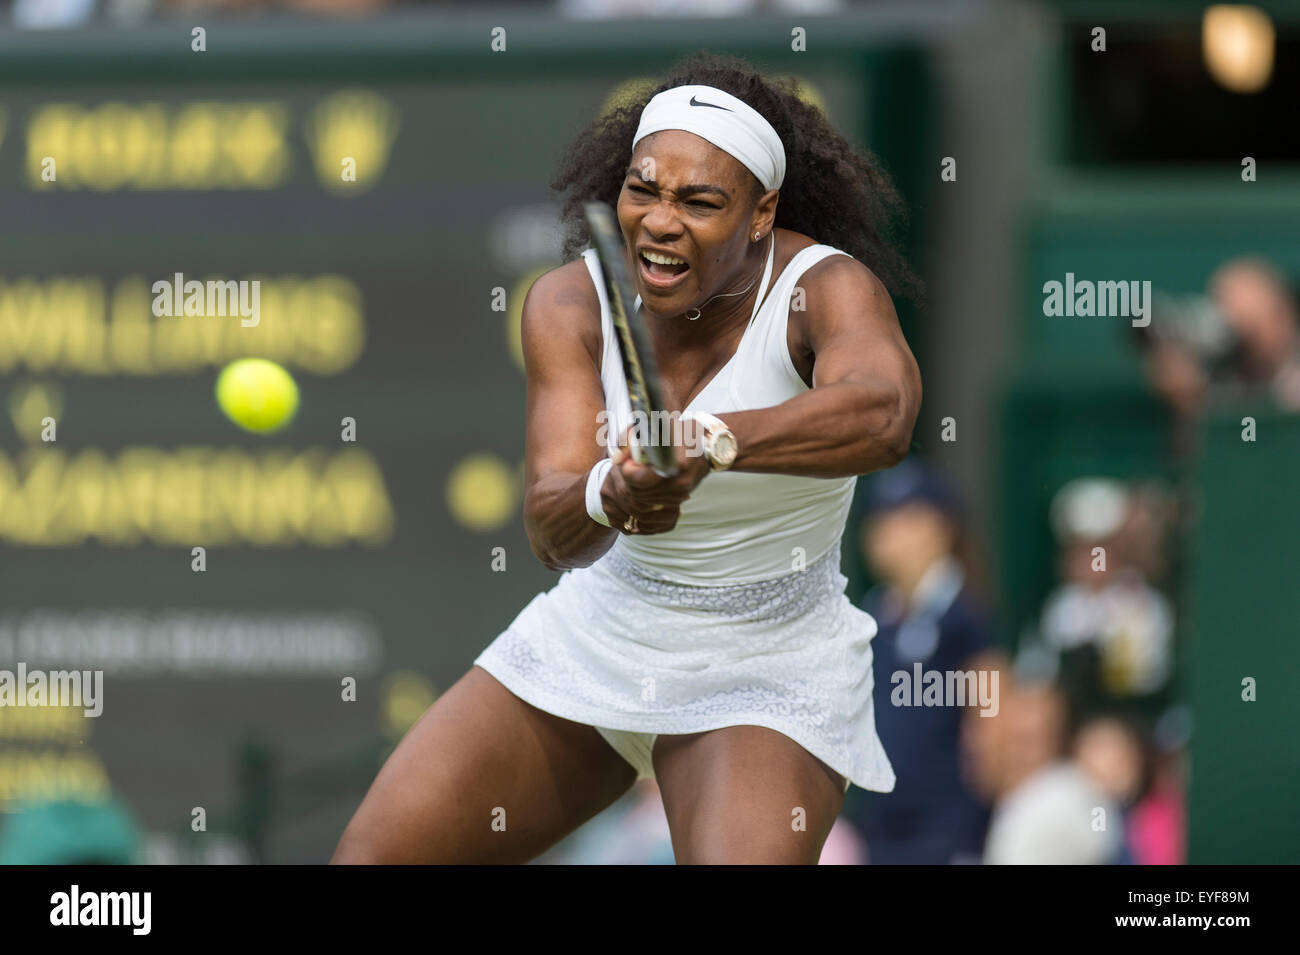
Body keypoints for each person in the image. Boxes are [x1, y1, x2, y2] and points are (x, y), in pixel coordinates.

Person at [333, 52, 921, 864]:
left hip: (770, 658)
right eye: (642, 189)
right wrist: (614, 492)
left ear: (761, 213)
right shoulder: (569, 302)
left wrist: (710, 443)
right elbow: (551, 520)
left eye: (700, 201)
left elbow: (883, 414)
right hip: (601, 629)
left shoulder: (823, 286)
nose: (659, 220)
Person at [845, 460, 1004, 863]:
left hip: (950, 833)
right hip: (880, 834)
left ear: (941, 528)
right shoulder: (870, 618)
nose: (888, 536)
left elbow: (992, 720)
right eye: (881, 521)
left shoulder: (965, 619)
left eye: (907, 520)